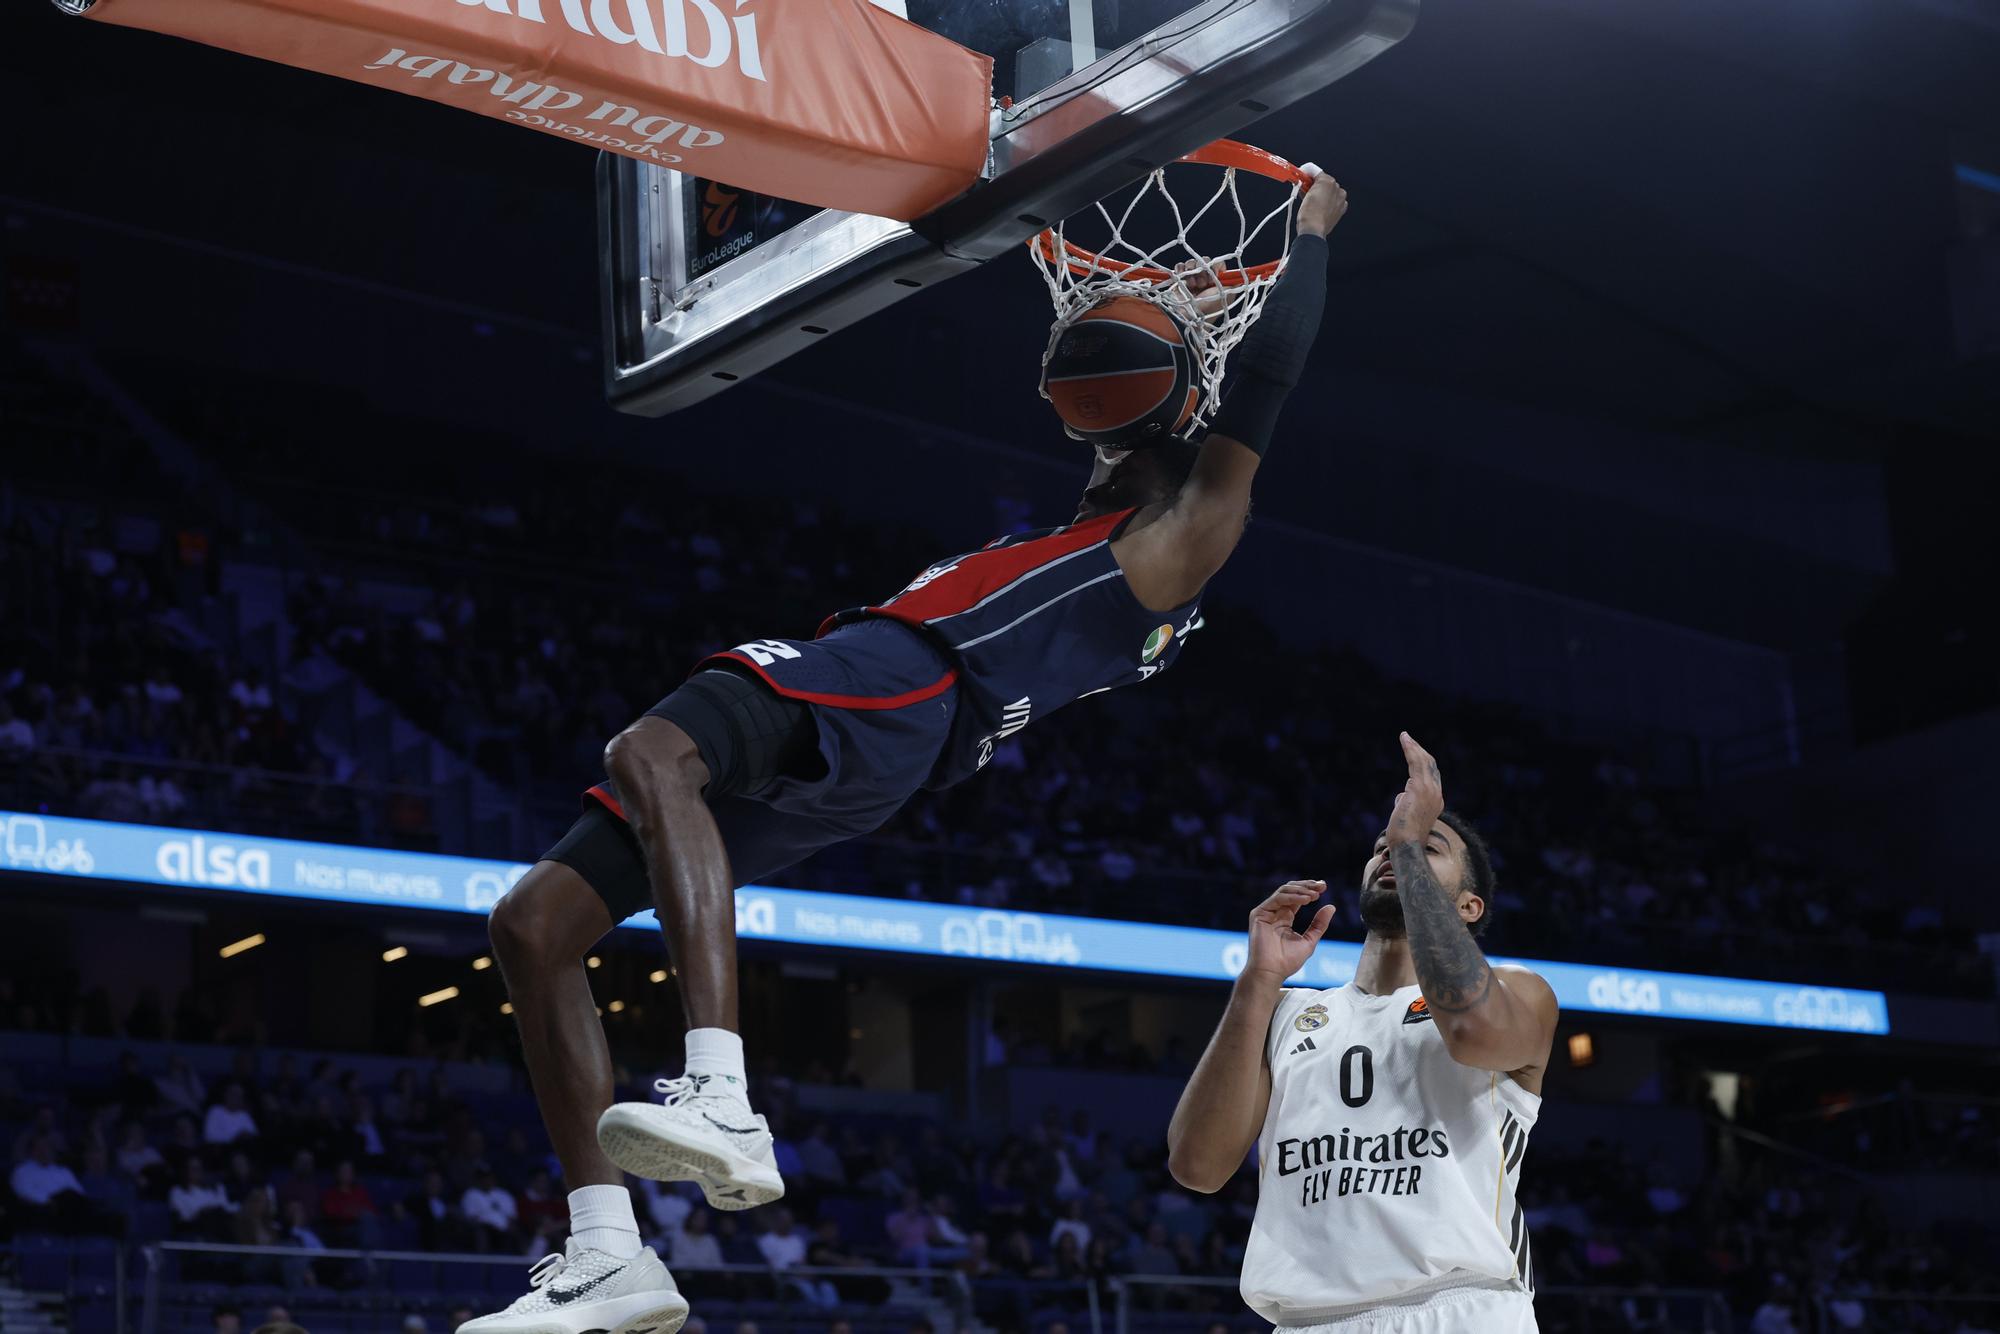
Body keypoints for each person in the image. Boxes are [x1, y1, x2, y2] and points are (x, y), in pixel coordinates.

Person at [471, 168, 1352, 1333]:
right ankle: (606, 1253)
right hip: (893, 734)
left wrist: (1305, 239)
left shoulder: (1177, 539)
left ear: (1181, 412)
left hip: (910, 682)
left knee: (651, 747)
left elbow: (1265, 390)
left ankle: (723, 1093)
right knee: (532, 923)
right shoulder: (1079, 531)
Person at [1167, 734, 1559, 1332]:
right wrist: (1258, 979)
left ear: (1469, 907)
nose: (1392, 853)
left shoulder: (1517, 989)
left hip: (1459, 1308)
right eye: (1384, 848)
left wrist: (1405, 841)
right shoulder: (1285, 1012)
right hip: (1306, 1320)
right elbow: (1197, 1165)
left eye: (1426, 848)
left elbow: (1473, 1030)